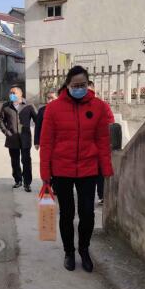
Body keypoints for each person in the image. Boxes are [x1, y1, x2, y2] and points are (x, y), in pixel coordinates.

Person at [40, 66, 113, 273]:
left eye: (83, 85)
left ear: (88, 84)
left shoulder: (99, 107)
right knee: (67, 214)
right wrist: (45, 173)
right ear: (68, 85)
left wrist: (106, 169)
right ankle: (69, 252)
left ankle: (84, 249)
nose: (79, 88)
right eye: (75, 85)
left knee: (87, 213)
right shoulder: (54, 108)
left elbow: (102, 140)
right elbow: (46, 142)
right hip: (61, 169)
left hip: (88, 169)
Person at [0, 86, 38, 192]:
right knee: (14, 161)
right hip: (12, 139)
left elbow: (37, 119)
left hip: (25, 138)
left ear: (21, 94)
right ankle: (18, 180)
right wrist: (6, 132)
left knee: (26, 161)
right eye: (10, 93)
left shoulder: (29, 105)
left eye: (14, 93)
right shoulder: (6, 106)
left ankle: (27, 183)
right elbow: (0, 120)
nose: (12, 95)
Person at [88, 81, 115, 205]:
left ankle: (102, 195)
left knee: (100, 172)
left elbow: (110, 123)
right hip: (84, 146)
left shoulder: (103, 106)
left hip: (98, 145)